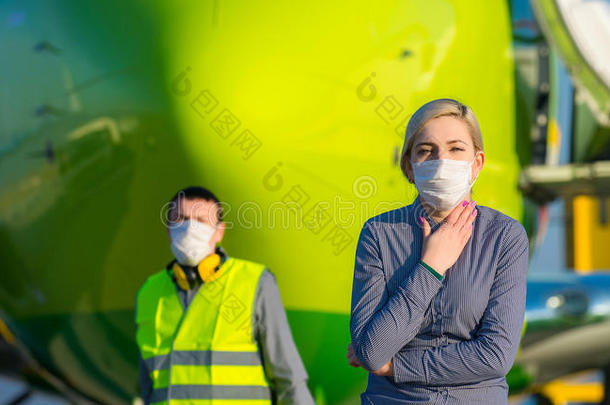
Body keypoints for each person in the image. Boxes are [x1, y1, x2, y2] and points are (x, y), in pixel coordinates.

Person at [346, 99, 529, 404]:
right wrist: (430, 268)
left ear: (477, 163)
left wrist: (396, 366)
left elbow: (495, 355)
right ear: (409, 167)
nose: (442, 160)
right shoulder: (379, 234)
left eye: (456, 149)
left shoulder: (505, 237)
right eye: (426, 150)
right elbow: (370, 351)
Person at [135, 186, 315, 404]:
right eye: (181, 218)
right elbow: (148, 388)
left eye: (200, 220)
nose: (190, 228)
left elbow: (288, 377)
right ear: (168, 229)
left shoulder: (256, 283)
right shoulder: (149, 292)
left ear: (219, 232)